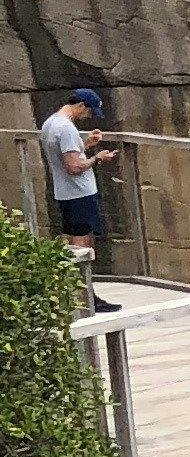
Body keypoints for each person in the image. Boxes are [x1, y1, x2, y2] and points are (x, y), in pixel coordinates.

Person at [36, 88, 114, 311]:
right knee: (83, 245)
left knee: (74, 243)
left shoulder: (51, 123)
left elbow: (66, 156)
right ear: (81, 106)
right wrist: (97, 158)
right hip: (79, 193)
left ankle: (80, 295)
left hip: (65, 193)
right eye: (89, 112)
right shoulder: (67, 128)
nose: (89, 117)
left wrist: (87, 144)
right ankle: (86, 298)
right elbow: (73, 166)